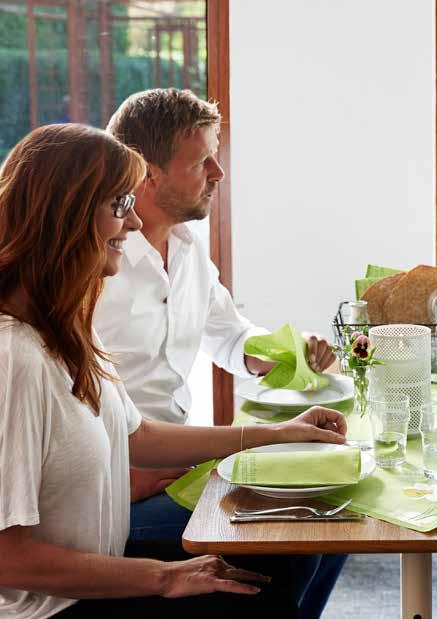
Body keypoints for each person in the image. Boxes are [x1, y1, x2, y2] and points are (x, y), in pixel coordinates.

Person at [0, 123, 349, 618]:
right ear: (66, 218)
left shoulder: (68, 327)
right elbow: (7, 558)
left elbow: (139, 436)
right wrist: (164, 579)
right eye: (119, 205)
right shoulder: (14, 357)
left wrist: (278, 433)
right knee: (267, 577)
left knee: (288, 553)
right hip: (55, 609)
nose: (135, 222)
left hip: (97, 578)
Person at [93, 88, 345, 617]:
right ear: (148, 174)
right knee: (299, 531)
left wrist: (284, 355)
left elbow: (228, 336)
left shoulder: (187, 248)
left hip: (174, 466)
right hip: (113, 491)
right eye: (202, 160)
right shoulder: (96, 269)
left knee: (330, 511)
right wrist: (119, 469)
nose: (218, 173)